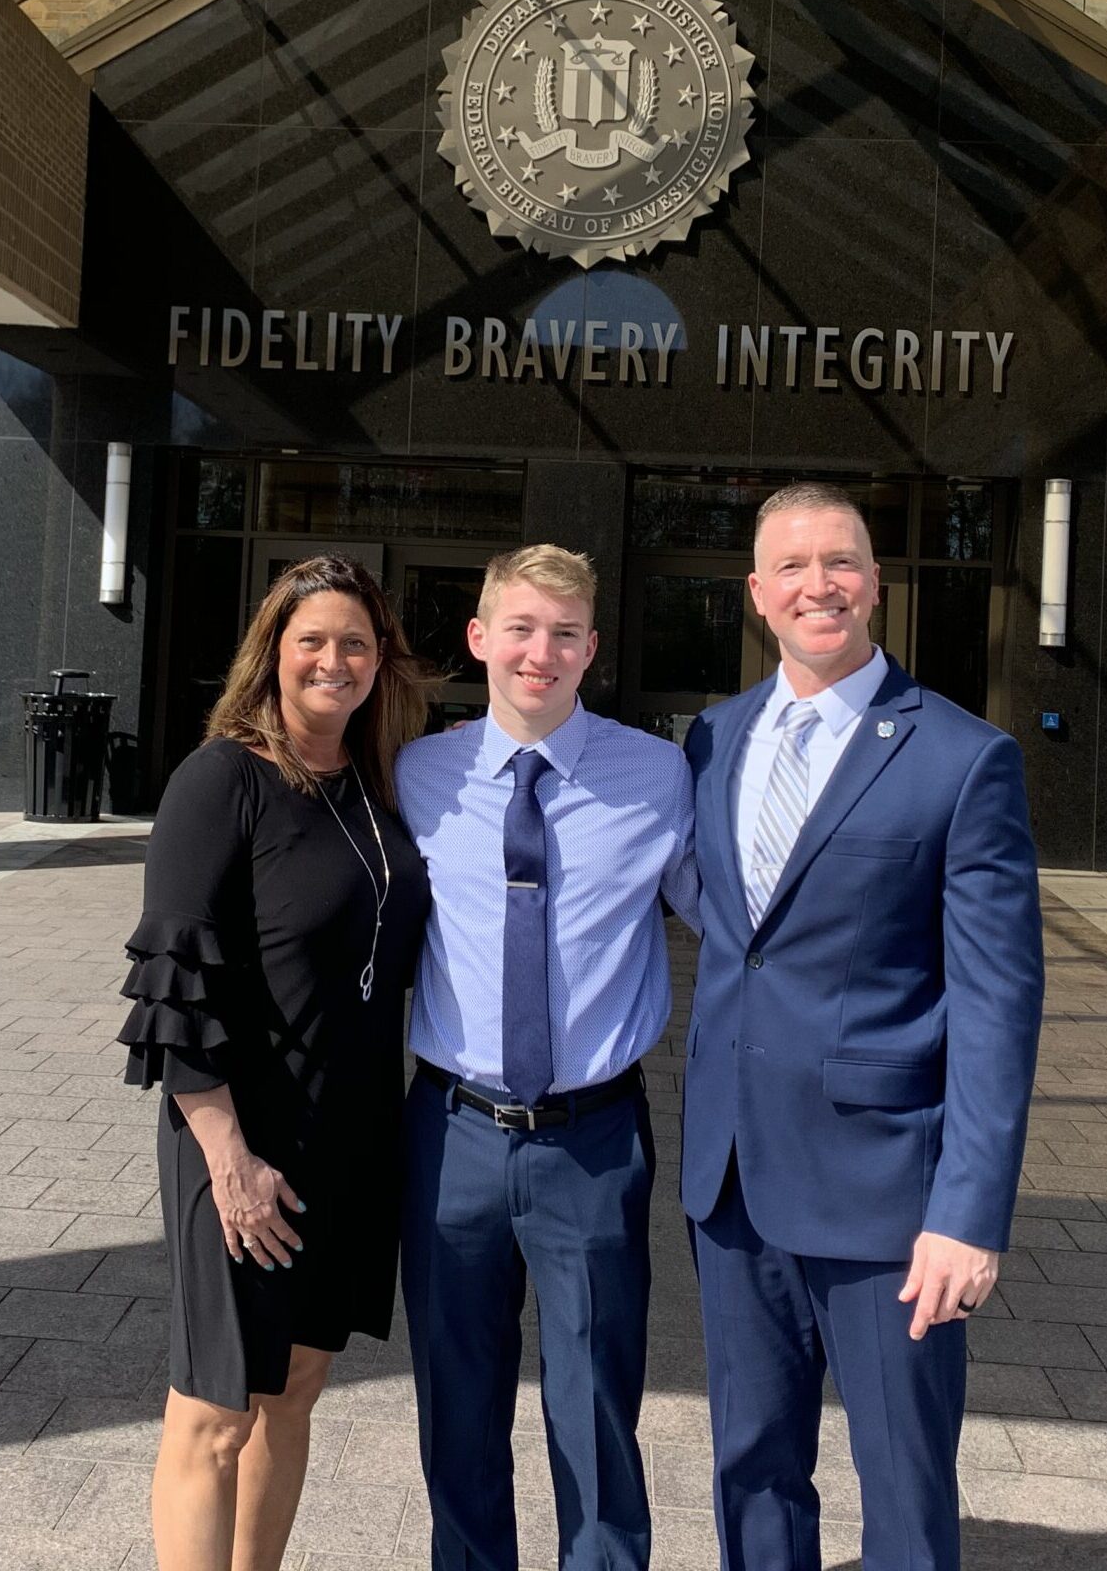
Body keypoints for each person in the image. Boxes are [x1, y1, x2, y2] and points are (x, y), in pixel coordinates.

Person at [681, 482, 1044, 1571]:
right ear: (757, 594)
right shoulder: (712, 739)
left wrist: (969, 1215)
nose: (818, 584)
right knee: (751, 1467)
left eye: (839, 561)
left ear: (876, 583)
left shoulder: (961, 758)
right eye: (791, 567)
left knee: (904, 1483)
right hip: (735, 1184)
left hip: (888, 1200)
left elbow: (996, 1001)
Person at [117, 554, 434, 1571]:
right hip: (245, 1141)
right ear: (274, 653)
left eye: (355, 643)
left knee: (292, 1390)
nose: (333, 661)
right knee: (217, 1408)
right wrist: (229, 1158)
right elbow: (170, 985)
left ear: (380, 661)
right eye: (313, 642)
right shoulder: (223, 779)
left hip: (349, 1139)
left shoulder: (376, 787)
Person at [396, 543, 698, 1571]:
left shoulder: (658, 776)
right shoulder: (419, 774)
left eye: (564, 633)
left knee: (598, 1403)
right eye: (520, 628)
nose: (541, 652)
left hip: (594, 1140)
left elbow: (740, 922)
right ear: (481, 639)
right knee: (458, 1403)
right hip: (452, 1134)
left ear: (593, 650)